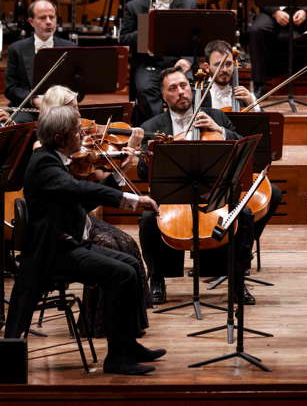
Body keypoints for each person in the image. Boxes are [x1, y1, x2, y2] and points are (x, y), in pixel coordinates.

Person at [4, 106, 164, 375]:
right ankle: (116, 359)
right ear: (59, 137)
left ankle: (127, 345)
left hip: (68, 244)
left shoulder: (56, 159)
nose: (82, 135)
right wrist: (132, 201)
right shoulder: (44, 163)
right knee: (122, 273)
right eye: (76, 132)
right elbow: (79, 189)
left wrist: (116, 177)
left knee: (131, 265)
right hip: (52, 254)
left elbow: (83, 200)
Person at [33, 86, 152, 339]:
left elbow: (92, 188)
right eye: (72, 110)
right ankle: (98, 325)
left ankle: (129, 335)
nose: (81, 123)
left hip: (75, 222)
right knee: (117, 256)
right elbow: (83, 190)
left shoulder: (68, 151)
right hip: (58, 242)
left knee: (128, 248)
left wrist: (122, 163)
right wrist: (131, 199)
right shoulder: (43, 157)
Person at [135, 68, 246, 305]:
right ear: (164, 96)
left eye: (184, 86)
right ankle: (157, 279)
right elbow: (144, 174)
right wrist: (151, 156)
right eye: (173, 89)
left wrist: (219, 130)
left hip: (213, 195)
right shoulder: (152, 126)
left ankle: (237, 283)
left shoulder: (215, 115)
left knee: (243, 214)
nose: (181, 92)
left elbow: (241, 148)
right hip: (172, 197)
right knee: (147, 219)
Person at [198, 39, 285, 249]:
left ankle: (244, 245)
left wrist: (252, 104)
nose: (225, 70)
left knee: (274, 194)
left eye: (228, 64)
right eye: (219, 64)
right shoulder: (200, 97)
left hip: (241, 167)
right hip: (212, 169)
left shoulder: (245, 95)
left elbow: (262, 135)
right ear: (207, 67)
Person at [119, 0, 197, 124]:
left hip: (177, 62)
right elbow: (124, 38)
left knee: (188, 87)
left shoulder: (188, 4)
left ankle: (187, 126)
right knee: (145, 88)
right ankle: (159, 127)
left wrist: (187, 60)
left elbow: (195, 37)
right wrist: (148, 24)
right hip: (148, 63)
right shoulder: (135, 6)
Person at [4, 0, 76, 123]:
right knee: (17, 126)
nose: (49, 22)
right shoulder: (16, 49)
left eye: (52, 17)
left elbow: (78, 86)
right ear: (31, 22)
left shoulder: (70, 48)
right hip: (28, 109)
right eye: (43, 18)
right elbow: (11, 89)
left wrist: (62, 102)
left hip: (61, 109)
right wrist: (35, 100)